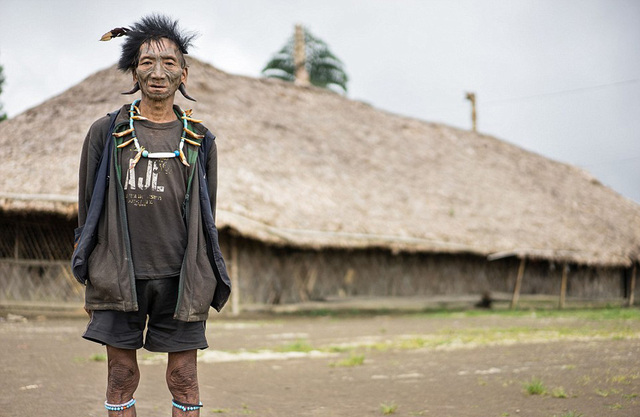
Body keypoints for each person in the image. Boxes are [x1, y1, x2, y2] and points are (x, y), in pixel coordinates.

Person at [72, 14, 230, 416]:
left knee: (184, 377)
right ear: (133, 70)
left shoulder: (200, 139)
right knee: (120, 374)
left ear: (184, 74)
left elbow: (206, 215)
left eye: (169, 63)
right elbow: (87, 208)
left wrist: (206, 274)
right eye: (147, 62)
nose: (158, 72)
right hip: (118, 276)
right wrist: (90, 269)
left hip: (182, 277)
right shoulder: (105, 133)